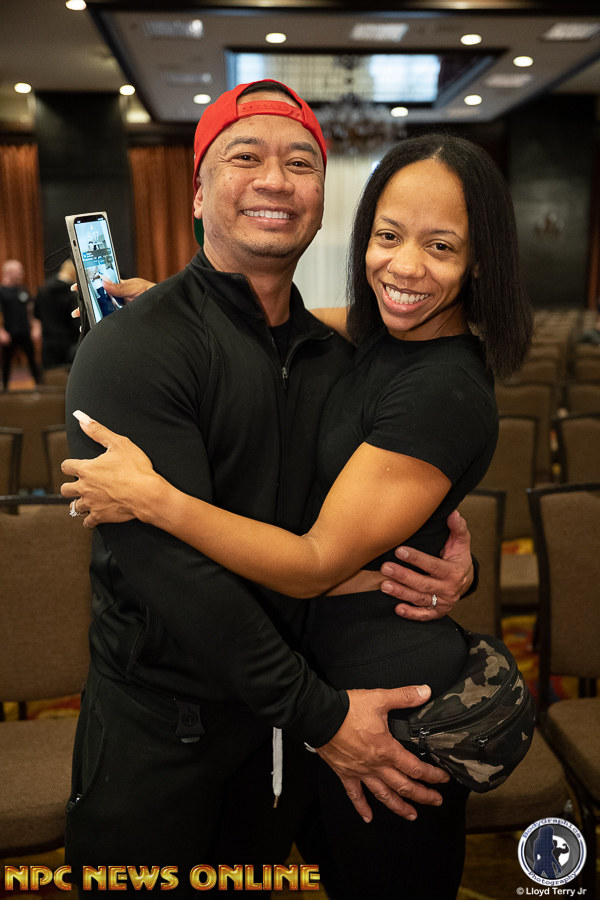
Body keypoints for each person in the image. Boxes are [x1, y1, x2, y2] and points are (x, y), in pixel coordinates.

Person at [61, 82, 479, 895]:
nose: (275, 180)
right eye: (245, 156)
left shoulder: (337, 359)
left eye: (300, 162)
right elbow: (180, 581)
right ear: (198, 191)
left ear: (322, 202)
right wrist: (323, 717)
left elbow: (373, 510)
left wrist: (445, 565)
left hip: (283, 732)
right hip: (163, 736)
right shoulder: (131, 350)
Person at [0, 259, 42, 390]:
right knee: (6, 362)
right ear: (9, 272)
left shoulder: (23, 290)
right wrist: (1, 331)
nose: (22, 274)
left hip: (25, 332)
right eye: (19, 271)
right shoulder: (1, 291)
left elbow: (31, 310)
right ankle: (5, 389)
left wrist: (35, 327)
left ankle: (39, 386)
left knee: (32, 360)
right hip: (8, 333)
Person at [34, 258, 80, 369]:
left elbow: (37, 313)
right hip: (68, 343)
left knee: (51, 376)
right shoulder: (72, 292)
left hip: (48, 342)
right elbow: (76, 320)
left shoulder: (43, 289)